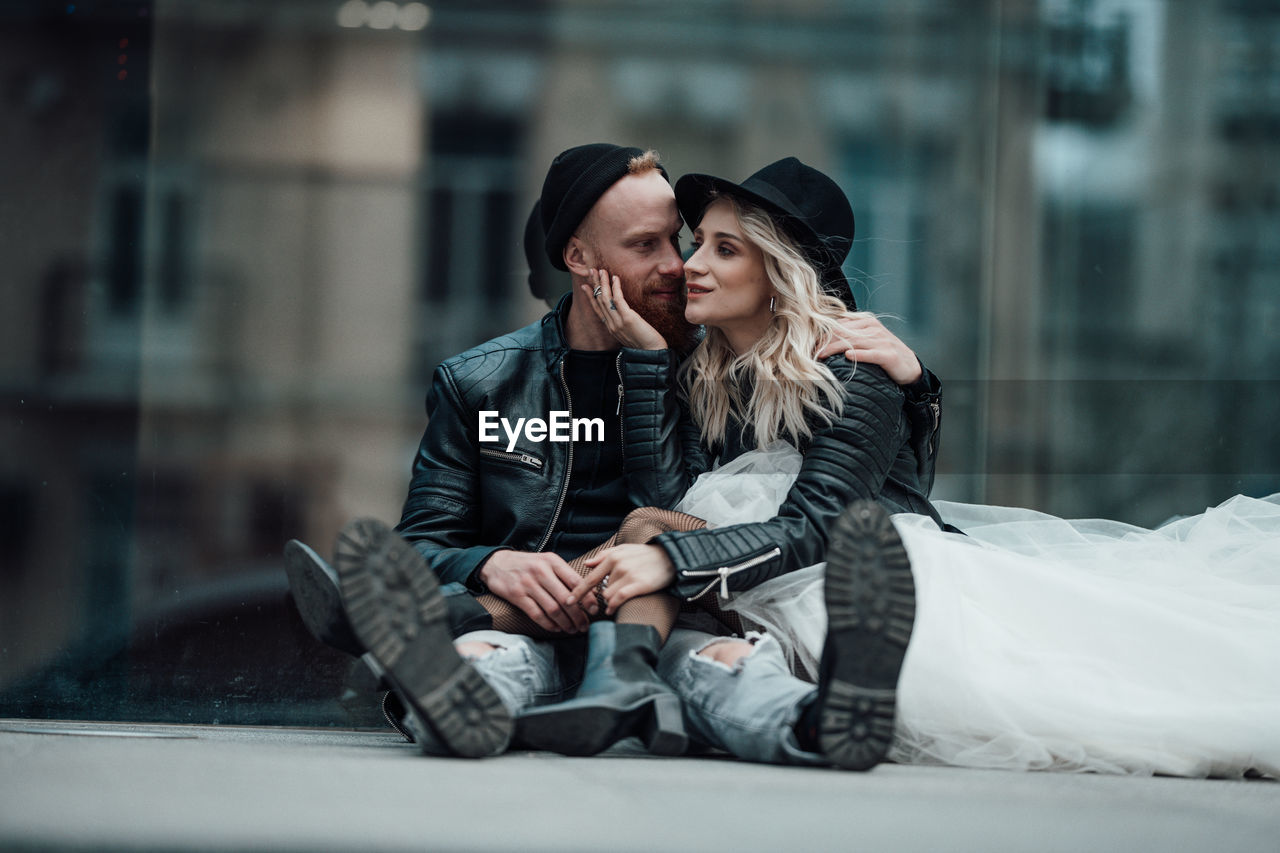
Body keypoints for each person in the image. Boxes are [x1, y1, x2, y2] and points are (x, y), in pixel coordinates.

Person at [541, 157, 1280, 778]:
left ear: (783, 273)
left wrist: (671, 559)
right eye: (697, 242)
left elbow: (821, 523)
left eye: (723, 250)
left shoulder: (859, 369)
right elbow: (674, 500)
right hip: (757, 580)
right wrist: (643, 358)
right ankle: (584, 666)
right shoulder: (702, 372)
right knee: (644, 531)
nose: (690, 267)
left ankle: (528, 649)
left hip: (860, 580)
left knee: (1128, 707)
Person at [284, 143, 944, 760]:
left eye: (687, 243)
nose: (678, 265)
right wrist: (491, 563)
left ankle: (819, 725)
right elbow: (422, 544)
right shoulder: (483, 383)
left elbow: (717, 506)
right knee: (482, 661)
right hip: (541, 622)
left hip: (673, 617)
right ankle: (448, 693)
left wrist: (916, 389)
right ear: (578, 258)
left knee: (724, 664)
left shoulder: (707, 362)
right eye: (648, 245)